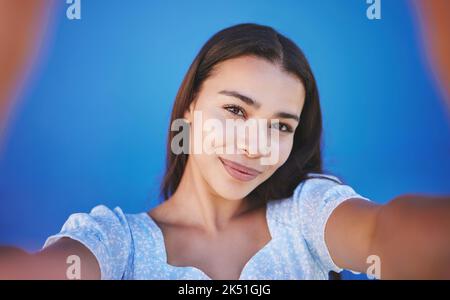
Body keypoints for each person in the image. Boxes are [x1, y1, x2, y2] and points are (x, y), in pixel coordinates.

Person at [0, 23, 449, 280]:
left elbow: (385, 234)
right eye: (236, 109)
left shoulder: (306, 215)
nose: (255, 145)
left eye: (280, 125)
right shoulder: (117, 244)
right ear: (191, 108)